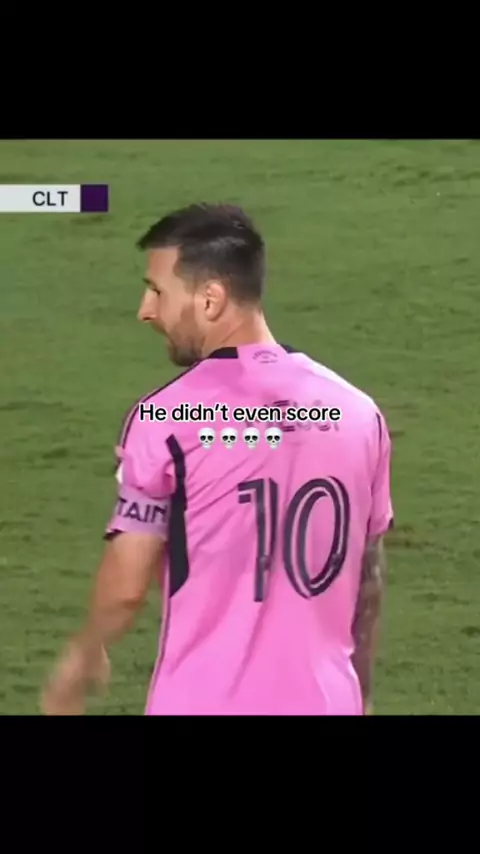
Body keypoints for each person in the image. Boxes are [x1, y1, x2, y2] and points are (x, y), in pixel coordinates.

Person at [41, 202, 393, 716]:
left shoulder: (168, 416)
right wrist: (358, 695)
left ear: (210, 299)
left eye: (158, 291)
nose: (146, 311)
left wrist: (85, 652)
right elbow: (368, 579)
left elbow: (126, 586)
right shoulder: (359, 412)